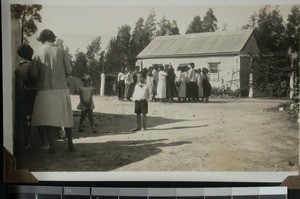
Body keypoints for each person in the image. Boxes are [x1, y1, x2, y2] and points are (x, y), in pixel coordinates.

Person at [31, 29, 75, 154]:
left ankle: (52, 146)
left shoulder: (38, 52)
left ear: (42, 39)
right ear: (53, 38)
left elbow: (34, 74)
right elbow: (69, 69)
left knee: (48, 119)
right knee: (65, 116)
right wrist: (61, 75)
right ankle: (70, 145)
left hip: (45, 89)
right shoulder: (61, 50)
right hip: (61, 89)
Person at [15, 44, 38, 150]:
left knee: (23, 118)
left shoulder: (18, 65)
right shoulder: (30, 64)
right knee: (31, 118)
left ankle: (23, 141)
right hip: (31, 92)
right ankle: (28, 141)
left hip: (20, 93)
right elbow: (35, 76)